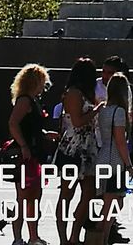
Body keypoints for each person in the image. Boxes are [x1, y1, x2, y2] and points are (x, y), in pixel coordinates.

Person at [53, 58, 100, 245]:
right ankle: (64, 238)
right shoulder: (73, 93)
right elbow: (77, 121)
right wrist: (96, 111)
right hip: (72, 148)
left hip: (87, 148)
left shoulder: (87, 94)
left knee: (89, 193)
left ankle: (75, 235)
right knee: (67, 193)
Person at [9, 63, 57, 245]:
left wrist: (45, 135)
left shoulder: (32, 100)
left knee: (33, 197)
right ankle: (20, 238)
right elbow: (13, 123)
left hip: (34, 153)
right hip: (26, 155)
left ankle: (32, 237)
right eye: (42, 82)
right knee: (25, 197)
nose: (44, 86)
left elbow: (29, 127)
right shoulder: (25, 101)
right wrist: (23, 146)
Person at [92, 73, 133, 245]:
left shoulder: (104, 110)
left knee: (109, 204)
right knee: (111, 206)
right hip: (114, 161)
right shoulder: (119, 112)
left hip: (102, 156)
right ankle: (100, 239)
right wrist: (129, 165)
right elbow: (120, 141)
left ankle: (101, 237)